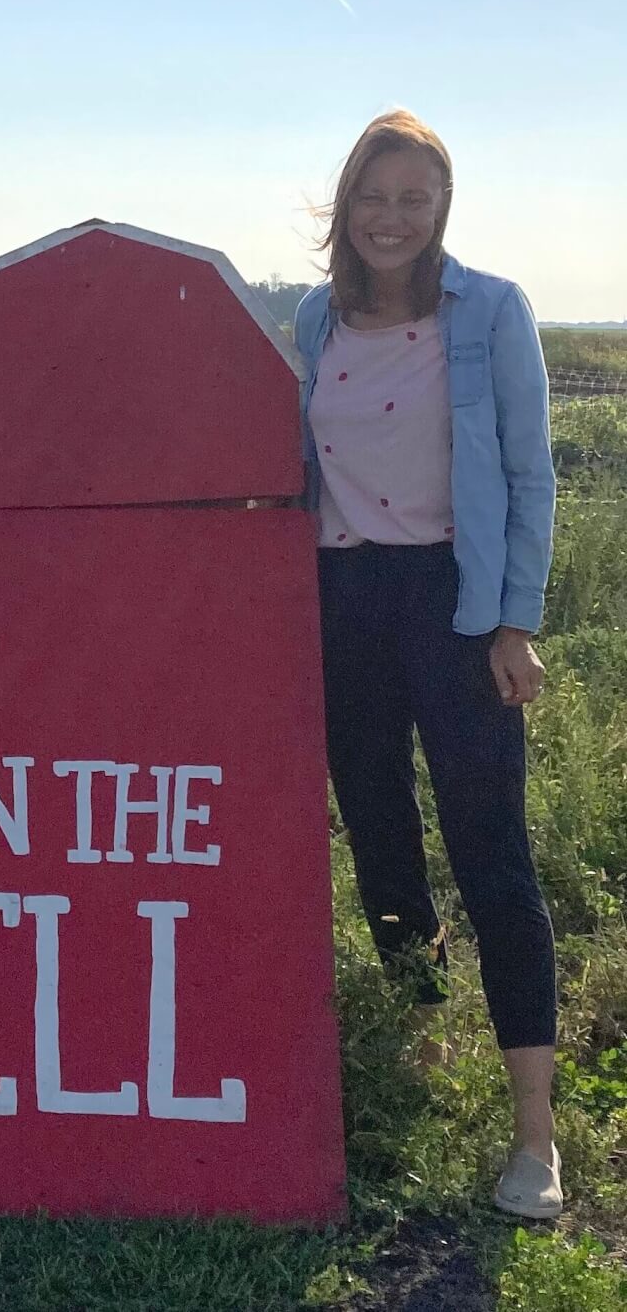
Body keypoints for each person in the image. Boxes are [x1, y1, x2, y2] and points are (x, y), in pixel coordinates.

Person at [295, 109, 559, 1218]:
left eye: (415, 197)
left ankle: (535, 1137)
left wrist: (514, 623)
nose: (392, 217)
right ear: (344, 207)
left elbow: (531, 471)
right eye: (374, 195)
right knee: (379, 825)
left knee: (490, 844)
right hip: (343, 598)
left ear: (442, 208)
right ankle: (418, 1036)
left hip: (454, 602)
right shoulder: (314, 318)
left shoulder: (490, 312)